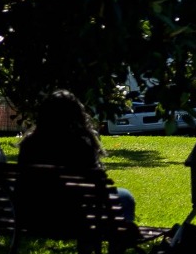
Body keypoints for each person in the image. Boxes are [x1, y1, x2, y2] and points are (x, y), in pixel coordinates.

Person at [14, 91, 139, 232]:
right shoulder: (80, 144)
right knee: (125, 196)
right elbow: (97, 187)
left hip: (34, 216)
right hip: (75, 217)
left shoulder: (30, 144)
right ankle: (117, 242)